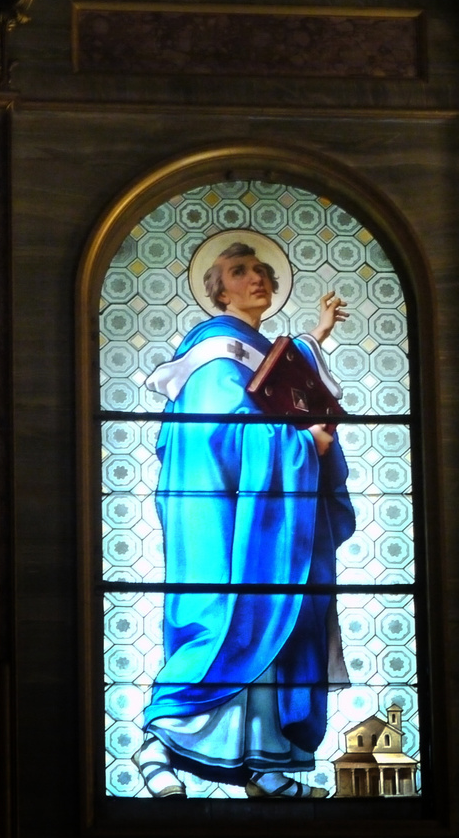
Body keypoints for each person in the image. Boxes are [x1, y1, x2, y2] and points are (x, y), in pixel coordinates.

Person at [132, 238, 355, 798]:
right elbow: (223, 434)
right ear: (217, 289)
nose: (255, 278)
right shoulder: (214, 353)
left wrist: (314, 342)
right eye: (239, 270)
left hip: (264, 522)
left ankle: (263, 766)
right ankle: (157, 743)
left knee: (275, 623)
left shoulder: (254, 348)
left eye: (261, 270)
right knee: (229, 621)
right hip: (224, 525)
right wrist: (306, 447)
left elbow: (280, 389)